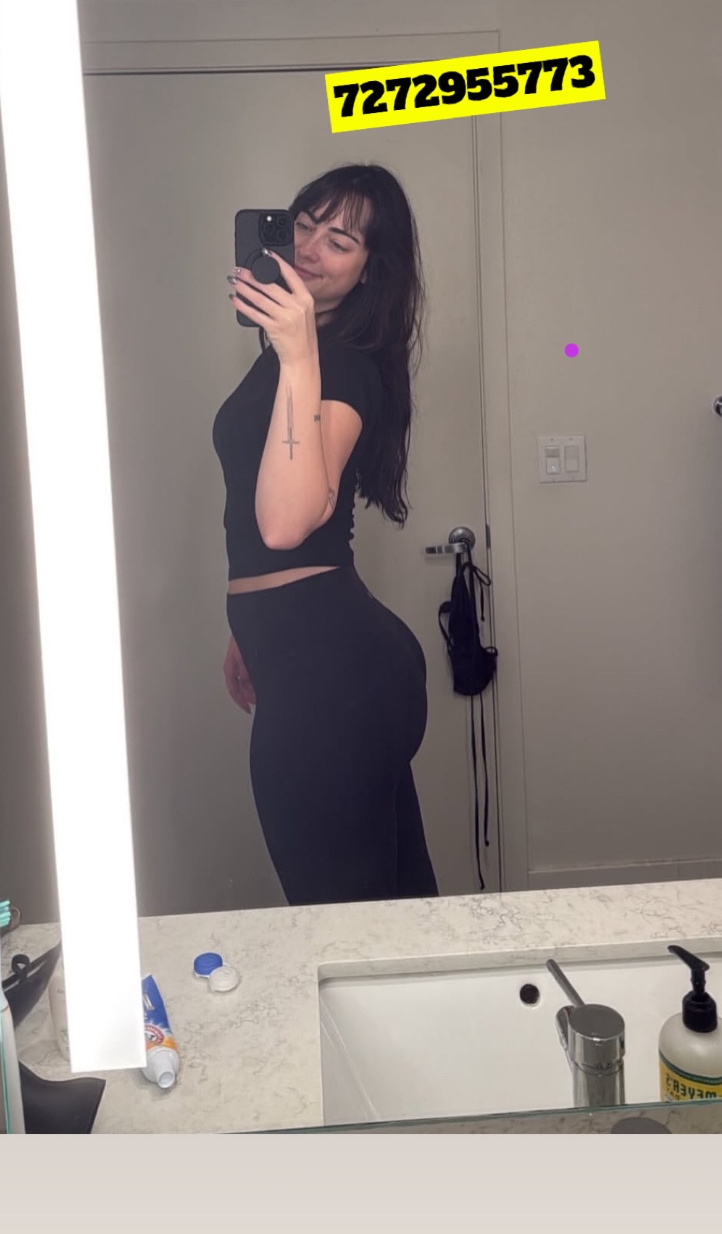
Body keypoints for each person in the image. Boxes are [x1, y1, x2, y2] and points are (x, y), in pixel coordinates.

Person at [211, 163, 439, 906]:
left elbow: (284, 526)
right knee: (392, 909)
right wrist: (250, 627)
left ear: (371, 271)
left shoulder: (337, 365)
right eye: (304, 224)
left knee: (342, 922)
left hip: (334, 675)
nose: (310, 247)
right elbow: (260, 513)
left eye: (339, 240)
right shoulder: (296, 360)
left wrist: (300, 353)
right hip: (309, 649)